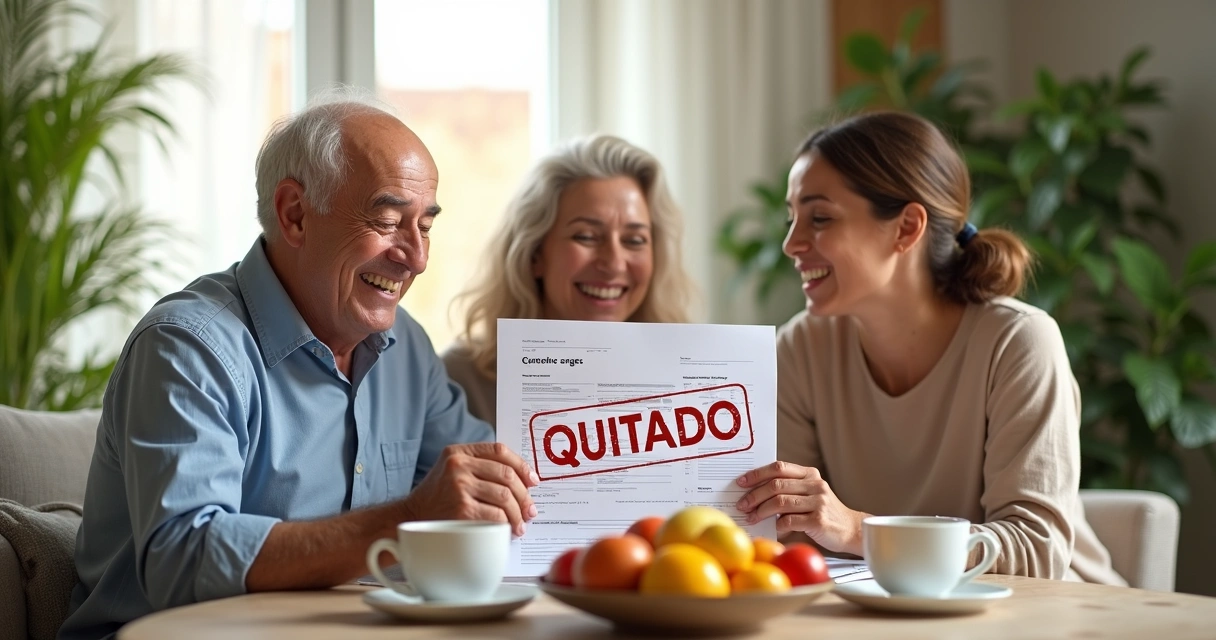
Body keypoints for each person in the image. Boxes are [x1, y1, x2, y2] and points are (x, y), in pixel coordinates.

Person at [60, 94, 539, 640]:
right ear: (295, 214)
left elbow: (491, 493)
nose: (416, 257)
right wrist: (403, 520)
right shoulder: (188, 348)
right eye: (387, 220)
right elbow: (183, 557)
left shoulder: (405, 346)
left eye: (424, 226)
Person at [733, 111, 1125, 584]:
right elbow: (786, 533)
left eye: (819, 218)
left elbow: (1035, 551)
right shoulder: (800, 348)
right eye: (791, 218)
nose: (791, 244)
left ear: (906, 228)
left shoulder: (1018, 343)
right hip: (886, 617)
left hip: (1057, 617)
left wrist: (860, 530)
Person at [442, 134, 695, 426]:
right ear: (535, 254)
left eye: (634, 240)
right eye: (586, 236)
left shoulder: (688, 380)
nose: (613, 263)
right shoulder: (459, 381)